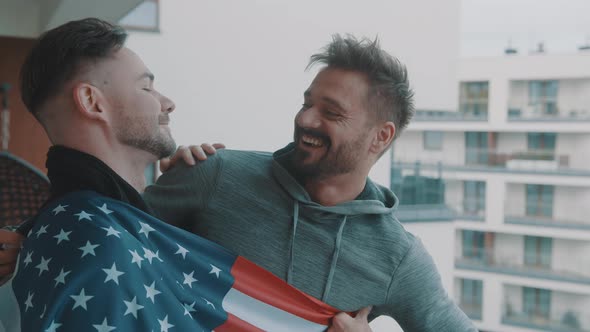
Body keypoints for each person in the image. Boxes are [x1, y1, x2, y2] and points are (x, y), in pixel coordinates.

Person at [0, 18, 345, 332]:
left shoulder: (75, 231)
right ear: (92, 102)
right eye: (146, 87)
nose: (167, 102)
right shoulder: (97, 246)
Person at [142, 35, 478, 331]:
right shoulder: (214, 174)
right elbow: (106, 232)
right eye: (306, 103)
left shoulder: (397, 257)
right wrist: (148, 167)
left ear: (381, 136)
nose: (305, 119)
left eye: (331, 113)